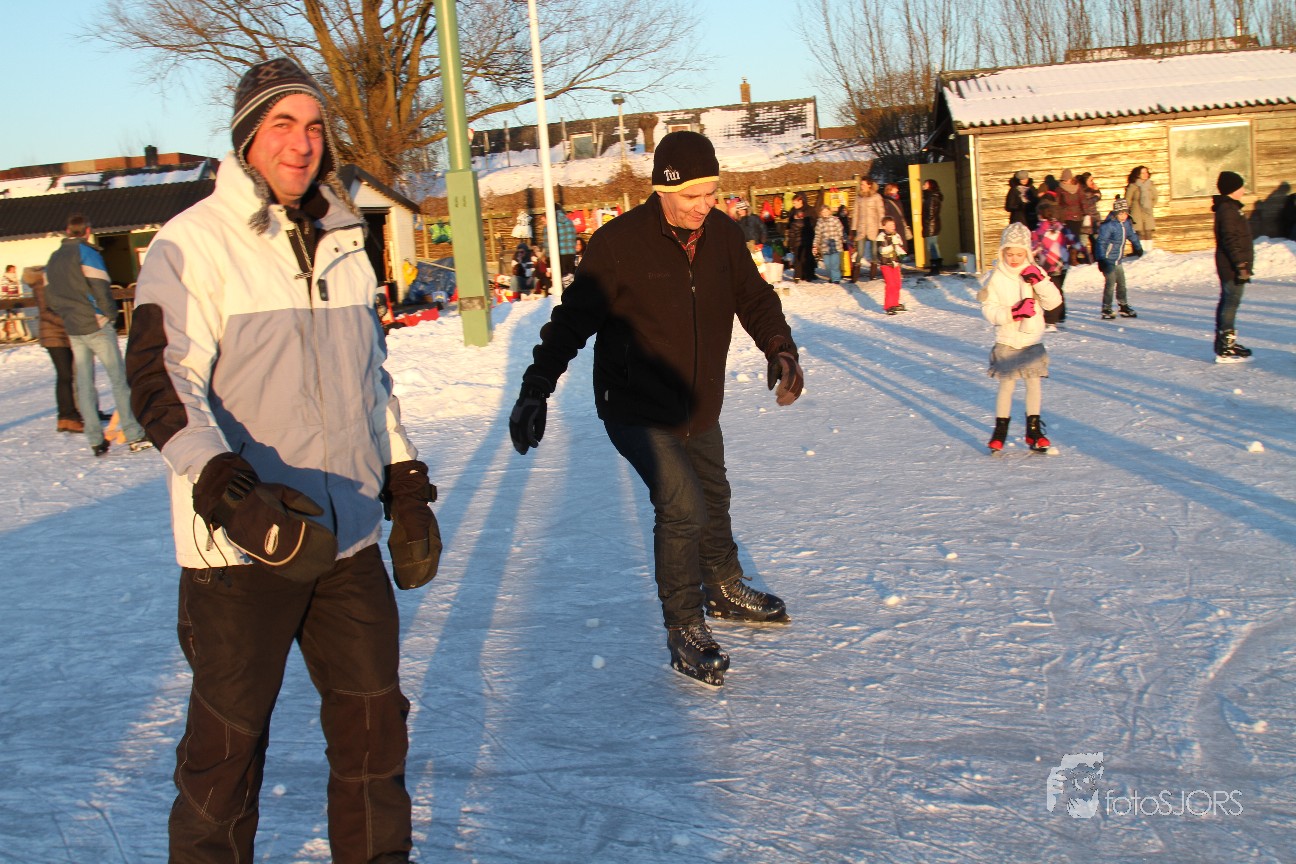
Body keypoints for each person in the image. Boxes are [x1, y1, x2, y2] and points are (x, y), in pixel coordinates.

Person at [124, 57, 438, 862]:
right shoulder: (192, 245)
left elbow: (368, 380)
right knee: (224, 761)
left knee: (375, 740)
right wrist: (230, 494)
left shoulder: (346, 239)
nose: (301, 144)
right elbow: (161, 385)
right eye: (281, 125)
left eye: (314, 127)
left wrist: (403, 481)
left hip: (348, 541)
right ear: (246, 139)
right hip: (243, 551)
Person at [507, 130, 803, 687]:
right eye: (692, 195)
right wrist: (536, 387)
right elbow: (571, 323)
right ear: (663, 189)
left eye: (711, 192)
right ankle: (684, 625)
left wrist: (780, 349)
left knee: (713, 495)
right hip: (635, 406)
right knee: (683, 504)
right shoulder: (618, 244)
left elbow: (755, 298)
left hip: (699, 402)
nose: (705, 205)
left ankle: (723, 586)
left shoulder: (721, 234)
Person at [44, 215, 150, 456]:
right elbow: (102, 287)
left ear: (67, 230)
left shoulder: (53, 258)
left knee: (84, 383)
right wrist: (110, 315)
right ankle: (134, 434)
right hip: (96, 324)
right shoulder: (86, 253)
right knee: (118, 380)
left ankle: (95, 440)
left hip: (73, 327)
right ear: (87, 231)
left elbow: (50, 298)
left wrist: (68, 314)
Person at [978, 222, 1063, 453]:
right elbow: (989, 310)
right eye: (1010, 254)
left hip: (1031, 340)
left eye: (1019, 254)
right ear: (1002, 252)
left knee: (1033, 384)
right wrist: (1013, 313)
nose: (1014, 259)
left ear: (1027, 252)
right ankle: (1000, 432)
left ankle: (1033, 431)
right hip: (1007, 339)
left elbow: (1054, 302)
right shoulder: (996, 277)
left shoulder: (1035, 272)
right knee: (1007, 384)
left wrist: (1040, 282)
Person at [26, 266, 85, 432]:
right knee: (65, 376)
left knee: (68, 375)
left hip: (60, 334)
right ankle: (67, 416)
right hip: (54, 335)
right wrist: (71, 320)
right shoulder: (41, 285)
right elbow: (47, 312)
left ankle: (71, 414)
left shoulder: (48, 282)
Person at [1211, 171, 1255, 363]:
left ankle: (1226, 342)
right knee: (1230, 302)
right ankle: (1226, 346)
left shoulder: (1231, 208)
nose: (1243, 190)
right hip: (1231, 265)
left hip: (1232, 264)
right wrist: (1240, 264)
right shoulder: (1228, 210)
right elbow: (1230, 239)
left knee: (1229, 301)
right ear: (1232, 189)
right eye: (1240, 187)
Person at [1031, 200, 1084, 331]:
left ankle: (1051, 321)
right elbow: (1075, 241)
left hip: (1048, 265)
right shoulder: (1062, 228)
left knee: (1051, 292)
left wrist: (1030, 257)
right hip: (1063, 264)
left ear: (1040, 215)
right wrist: (1083, 251)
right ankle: (1060, 316)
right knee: (1059, 289)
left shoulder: (1039, 231)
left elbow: (1034, 248)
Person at [1095, 198, 1144, 319]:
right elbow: (1101, 242)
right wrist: (1101, 259)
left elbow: (1132, 235)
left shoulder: (1126, 223)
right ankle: (1106, 308)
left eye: (1125, 213)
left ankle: (1123, 306)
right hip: (1107, 260)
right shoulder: (1108, 225)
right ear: (1116, 213)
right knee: (1110, 284)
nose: (1123, 216)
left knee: (1122, 284)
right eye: (1121, 214)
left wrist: (1138, 247)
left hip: (1118, 260)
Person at [851, 178, 885, 282]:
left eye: (863, 184)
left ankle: (873, 275)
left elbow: (881, 212)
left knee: (874, 252)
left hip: (873, 228)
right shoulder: (858, 198)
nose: (861, 186)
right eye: (861, 184)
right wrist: (853, 228)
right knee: (860, 252)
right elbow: (855, 214)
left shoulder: (876, 197)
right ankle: (855, 276)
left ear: (869, 185)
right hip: (861, 228)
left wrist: (881, 227)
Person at [875, 215, 907, 315]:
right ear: (884, 226)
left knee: (897, 283)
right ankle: (888, 306)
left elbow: (900, 245)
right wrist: (893, 245)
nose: (892, 226)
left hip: (895, 262)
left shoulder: (896, 235)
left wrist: (900, 251)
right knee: (890, 284)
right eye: (890, 225)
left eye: (893, 224)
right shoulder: (881, 237)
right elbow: (882, 250)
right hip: (886, 264)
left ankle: (895, 303)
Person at [1124, 165, 1158, 248]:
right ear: (1138, 174)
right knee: (1140, 232)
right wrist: (1130, 210)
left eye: (1146, 172)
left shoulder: (1150, 185)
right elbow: (1128, 199)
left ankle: (1149, 251)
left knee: (1148, 231)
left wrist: (1149, 205)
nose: (1145, 174)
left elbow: (1155, 198)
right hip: (1137, 212)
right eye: (1143, 173)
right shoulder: (1133, 186)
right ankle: (1141, 251)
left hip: (1147, 212)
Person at [812, 203, 845, 283]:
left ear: (829, 211)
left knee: (835, 263)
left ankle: (836, 278)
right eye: (823, 212)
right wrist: (815, 244)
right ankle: (832, 276)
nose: (825, 213)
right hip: (825, 247)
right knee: (827, 264)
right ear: (821, 213)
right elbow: (818, 234)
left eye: (826, 211)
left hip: (835, 245)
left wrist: (842, 238)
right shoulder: (819, 222)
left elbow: (840, 230)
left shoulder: (835, 220)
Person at [1076, 172, 1102, 261]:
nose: (1092, 182)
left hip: (1092, 219)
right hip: (1087, 219)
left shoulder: (1088, 190)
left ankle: (1095, 257)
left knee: (1095, 240)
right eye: (1091, 180)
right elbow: (1088, 202)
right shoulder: (1084, 191)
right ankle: (1080, 258)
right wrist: (1096, 195)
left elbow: (1098, 197)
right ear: (1085, 181)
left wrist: (1097, 191)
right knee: (1085, 240)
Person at [920, 178, 943, 275]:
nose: (923, 186)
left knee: (932, 247)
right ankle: (937, 266)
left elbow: (930, 214)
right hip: (932, 225)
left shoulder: (931, 198)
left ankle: (935, 268)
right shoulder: (931, 197)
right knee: (934, 247)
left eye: (925, 184)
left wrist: (925, 225)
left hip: (931, 226)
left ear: (930, 186)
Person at [1055, 169, 1086, 241]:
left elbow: (1083, 201)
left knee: (1075, 239)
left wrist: (1086, 214)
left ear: (1070, 179)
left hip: (1077, 218)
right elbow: (1057, 204)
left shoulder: (1078, 188)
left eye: (1066, 180)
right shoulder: (1059, 189)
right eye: (1063, 180)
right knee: (1068, 239)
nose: (1064, 182)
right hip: (1066, 218)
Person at [881, 183, 912, 250]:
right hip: (894, 227)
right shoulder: (887, 202)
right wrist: (890, 226)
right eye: (895, 188)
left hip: (901, 226)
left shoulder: (897, 200)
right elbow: (887, 215)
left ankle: (903, 254)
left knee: (902, 244)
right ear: (890, 189)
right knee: (897, 244)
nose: (897, 190)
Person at [554, 206, 578, 286]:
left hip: (561, 253)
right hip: (571, 252)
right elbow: (574, 236)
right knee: (570, 275)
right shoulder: (570, 221)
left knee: (561, 275)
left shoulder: (553, 222)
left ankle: (564, 290)